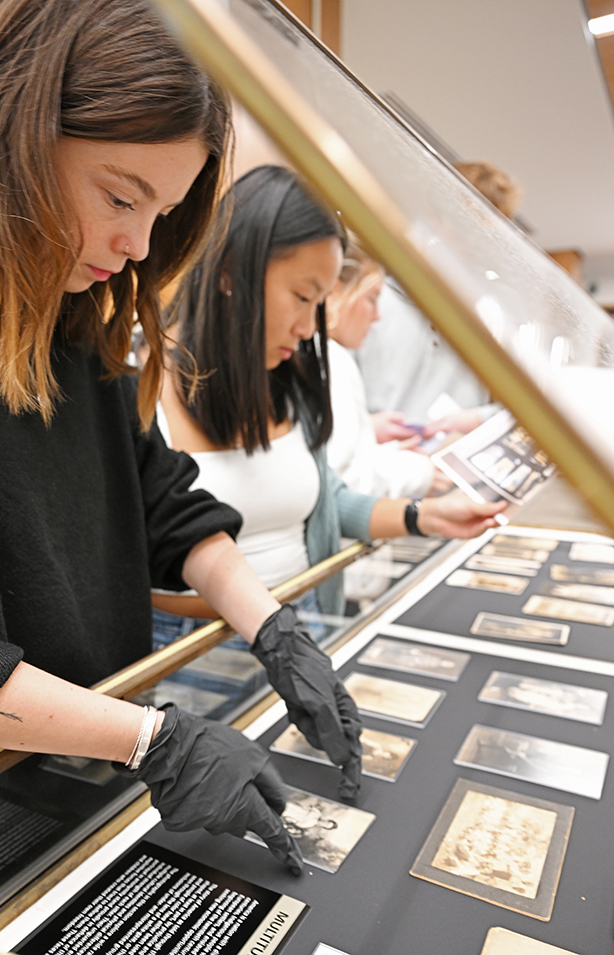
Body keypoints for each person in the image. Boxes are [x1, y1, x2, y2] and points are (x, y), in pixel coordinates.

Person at [0, 0, 365, 874]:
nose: (135, 244)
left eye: (162, 212)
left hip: (76, 784)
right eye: (121, 196)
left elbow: (161, 498)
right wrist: (155, 740)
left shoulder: (74, 325)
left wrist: (272, 625)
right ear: (13, 131)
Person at [154, 165, 505, 634]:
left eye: (319, 303)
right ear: (230, 272)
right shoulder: (139, 386)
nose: (307, 330)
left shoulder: (287, 375)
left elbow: (326, 501)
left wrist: (425, 516)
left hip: (306, 623)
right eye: (301, 296)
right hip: (190, 652)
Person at [355, 160, 522, 440]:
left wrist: (478, 418)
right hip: (375, 469)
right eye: (470, 226)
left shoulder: (494, 313)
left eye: (492, 228)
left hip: (450, 471)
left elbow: (520, 407)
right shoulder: (375, 294)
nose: (481, 240)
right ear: (435, 216)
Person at [325, 231, 450, 499]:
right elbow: (341, 479)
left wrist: (366, 432)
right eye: (371, 298)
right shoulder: (333, 360)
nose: (377, 316)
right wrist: (422, 472)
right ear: (336, 291)